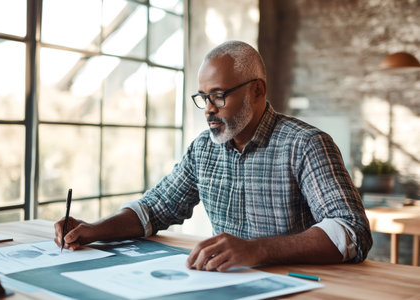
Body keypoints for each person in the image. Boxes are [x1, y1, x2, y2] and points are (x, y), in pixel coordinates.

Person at [55, 40, 372, 272]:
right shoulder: (203, 149)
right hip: (225, 287)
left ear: (257, 91)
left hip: (303, 288)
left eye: (218, 96)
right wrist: (92, 229)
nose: (208, 108)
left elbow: (352, 231)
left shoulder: (306, 144)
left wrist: (255, 250)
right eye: (203, 97)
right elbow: (153, 210)